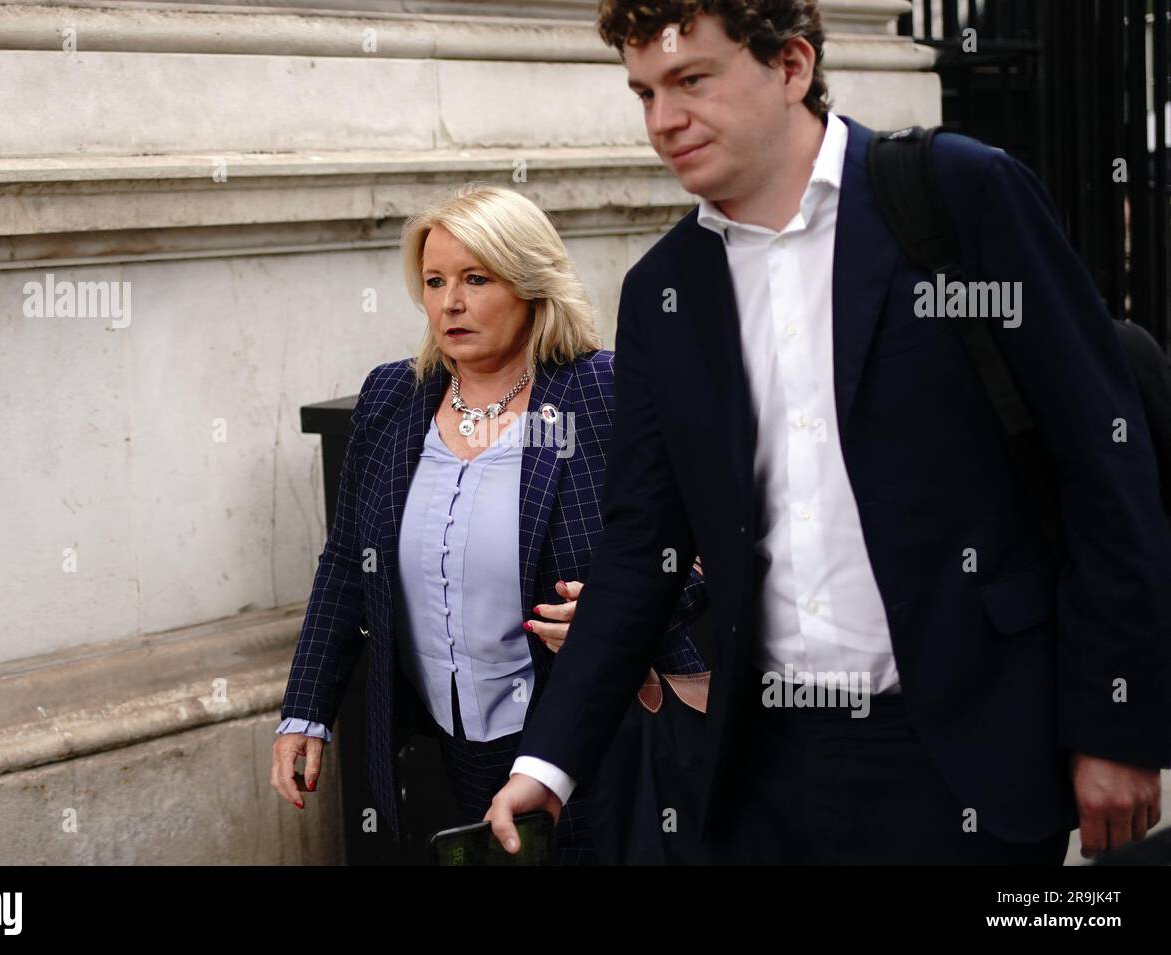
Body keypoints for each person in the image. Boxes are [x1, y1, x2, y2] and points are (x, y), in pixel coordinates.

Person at [487, 0, 1171, 864]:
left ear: (792, 66)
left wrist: (1116, 723)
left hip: (960, 757)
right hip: (763, 771)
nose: (664, 121)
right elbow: (639, 546)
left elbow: (1104, 462)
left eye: (691, 80)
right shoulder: (664, 289)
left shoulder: (957, 194)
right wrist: (548, 761)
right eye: (645, 94)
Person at [269, 184, 706, 864]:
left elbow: (704, 550)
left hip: (606, 734)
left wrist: (622, 611)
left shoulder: (602, 391)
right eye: (435, 280)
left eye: (476, 279)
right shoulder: (393, 396)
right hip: (460, 751)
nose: (449, 302)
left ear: (532, 284)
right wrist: (306, 708)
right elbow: (347, 562)